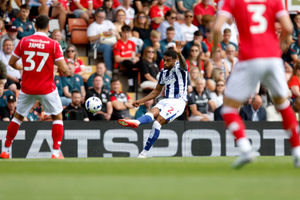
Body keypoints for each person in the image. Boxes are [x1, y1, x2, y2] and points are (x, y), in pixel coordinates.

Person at [212, 0, 300, 168]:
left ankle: (246, 149)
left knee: (229, 108)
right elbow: (288, 28)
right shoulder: (274, 1)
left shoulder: (233, 1)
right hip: (273, 59)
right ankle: (297, 152)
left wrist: (214, 48)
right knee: (283, 105)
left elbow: (217, 28)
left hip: (249, 59)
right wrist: (279, 45)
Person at [0, 15, 69, 159]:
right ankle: (56, 152)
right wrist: (64, 68)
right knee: (57, 116)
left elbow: (12, 63)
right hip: (46, 88)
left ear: (35, 26)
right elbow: (65, 70)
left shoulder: (24, 41)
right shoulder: (53, 44)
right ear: (48, 27)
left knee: (17, 118)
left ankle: (5, 150)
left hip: (27, 88)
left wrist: (22, 67)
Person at [117, 46, 188, 158]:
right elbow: (156, 91)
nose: (165, 62)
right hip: (166, 100)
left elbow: (185, 65)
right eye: (164, 60)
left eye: (168, 60)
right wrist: (140, 101)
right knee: (152, 112)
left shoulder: (180, 68)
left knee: (157, 122)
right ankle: (137, 122)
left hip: (178, 102)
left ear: (175, 60)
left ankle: (144, 153)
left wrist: (179, 54)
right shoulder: (163, 73)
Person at [87, 8, 115, 73]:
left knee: (118, 46)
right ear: (96, 16)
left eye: (103, 17)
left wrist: (111, 33)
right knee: (107, 47)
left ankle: (117, 67)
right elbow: (90, 39)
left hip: (110, 41)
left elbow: (114, 31)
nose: (101, 19)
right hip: (96, 44)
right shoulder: (92, 26)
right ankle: (108, 70)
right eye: (100, 17)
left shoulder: (108, 23)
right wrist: (102, 34)